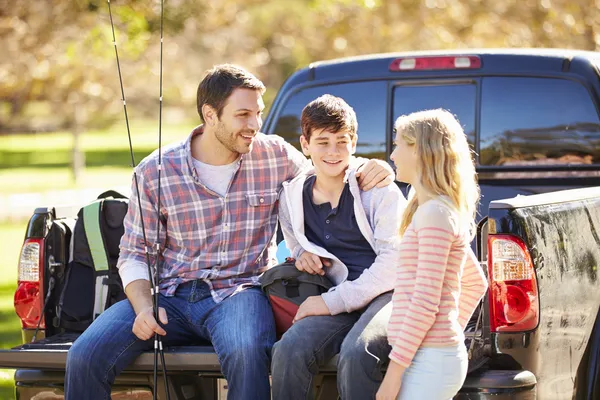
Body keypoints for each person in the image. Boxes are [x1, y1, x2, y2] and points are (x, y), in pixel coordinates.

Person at [64, 64, 393, 400]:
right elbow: (135, 253)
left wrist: (371, 165)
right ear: (211, 114)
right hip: (169, 298)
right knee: (84, 355)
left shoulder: (275, 155)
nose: (254, 125)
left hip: (240, 293)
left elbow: (329, 163)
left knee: (246, 350)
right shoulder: (154, 171)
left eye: (258, 113)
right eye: (243, 115)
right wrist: (144, 307)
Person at [271, 94, 407, 400]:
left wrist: (331, 303)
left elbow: (394, 265)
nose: (333, 152)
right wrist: (303, 254)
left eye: (341, 141)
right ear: (305, 145)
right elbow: (292, 240)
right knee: (289, 349)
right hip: (337, 295)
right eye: (323, 142)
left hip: (388, 295)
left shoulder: (377, 189)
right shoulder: (292, 197)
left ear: (354, 142)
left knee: (358, 353)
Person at [376, 109, 488, 400]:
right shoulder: (435, 210)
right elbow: (476, 282)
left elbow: (425, 302)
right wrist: (446, 334)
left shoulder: (435, 214)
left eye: (399, 144)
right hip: (430, 355)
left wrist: (394, 374)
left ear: (420, 150)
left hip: (429, 362)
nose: (392, 155)